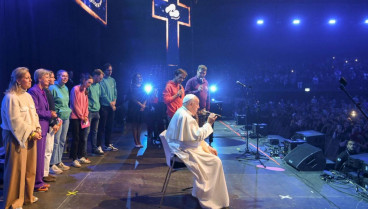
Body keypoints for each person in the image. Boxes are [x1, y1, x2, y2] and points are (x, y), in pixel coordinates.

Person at [165, 94, 229, 209]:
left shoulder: (182, 112)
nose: (198, 107)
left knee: (212, 157)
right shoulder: (187, 117)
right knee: (216, 161)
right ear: (190, 104)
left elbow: (191, 136)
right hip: (184, 152)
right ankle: (208, 196)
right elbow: (196, 136)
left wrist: (206, 146)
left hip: (182, 148)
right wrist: (209, 123)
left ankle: (199, 192)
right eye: (197, 104)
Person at [1, 67, 42, 209]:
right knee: (16, 170)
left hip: (30, 135)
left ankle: (27, 196)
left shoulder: (27, 96)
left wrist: (37, 129)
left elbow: (34, 115)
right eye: (27, 78)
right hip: (16, 137)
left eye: (30, 77)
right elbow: (15, 121)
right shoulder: (11, 97)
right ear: (18, 80)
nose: (30, 80)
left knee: (30, 168)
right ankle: (14, 202)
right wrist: (31, 132)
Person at [28, 69, 56, 192]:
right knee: (38, 156)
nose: (49, 79)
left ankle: (39, 181)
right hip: (39, 126)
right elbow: (36, 111)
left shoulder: (43, 91)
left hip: (44, 126)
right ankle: (36, 183)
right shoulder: (34, 91)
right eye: (46, 77)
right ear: (39, 78)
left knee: (40, 156)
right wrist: (50, 114)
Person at [49, 70, 72, 173]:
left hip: (66, 116)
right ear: (57, 76)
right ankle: (52, 163)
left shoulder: (66, 88)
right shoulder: (52, 88)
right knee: (56, 141)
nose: (65, 78)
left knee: (62, 140)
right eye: (63, 76)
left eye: (66, 76)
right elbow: (51, 104)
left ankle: (59, 161)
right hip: (58, 117)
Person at [185, 65, 213, 144]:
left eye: (204, 73)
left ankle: (199, 146)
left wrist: (208, 108)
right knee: (193, 130)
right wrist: (197, 91)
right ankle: (192, 146)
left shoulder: (206, 82)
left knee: (200, 129)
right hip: (193, 110)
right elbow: (186, 93)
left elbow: (208, 96)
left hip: (202, 110)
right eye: (200, 73)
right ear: (197, 71)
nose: (202, 75)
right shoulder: (191, 81)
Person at [69, 73, 93, 168]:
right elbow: (74, 104)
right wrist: (81, 116)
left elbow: (86, 105)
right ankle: (74, 158)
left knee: (83, 138)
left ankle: (80, 156)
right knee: (76, 138)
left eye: (91, 83)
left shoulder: (85, 91)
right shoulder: (75, 89)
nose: (89, 85)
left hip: (83, 118)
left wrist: (86, 115)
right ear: (84, 81)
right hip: (76, 117)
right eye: (89, 82)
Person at [43, 70, 62, 180]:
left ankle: (46, 172)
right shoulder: (46, 91)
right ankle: (44, 173)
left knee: (49, 149)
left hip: (52, 121)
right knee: (47, 149)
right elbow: (48, 109)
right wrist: (52, 122)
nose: (54, 79)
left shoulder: (48, 91)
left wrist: (56, 120)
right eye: (52, 77)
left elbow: (51, 108)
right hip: (49, 123)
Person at [97, 63, 118, 151]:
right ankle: (98, 145)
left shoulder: (112, 80)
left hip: (111, 106)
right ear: (104, 71)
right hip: (104, 106)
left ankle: (108, 144)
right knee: (102, 126)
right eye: (108, 70)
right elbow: (103, 94)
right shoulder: (102, 81)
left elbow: (115, 92)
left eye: (111, 70)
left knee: (110, 125)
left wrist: (114, 102)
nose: (110, 72)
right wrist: (110, 103)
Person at [86, 69, 104, 155]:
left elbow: (99, 96)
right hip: (89, 111)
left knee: (94, 131)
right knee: (87, 131)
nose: (101, 80)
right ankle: (83, 150)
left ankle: (94, 148)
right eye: (100, 78)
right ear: (95, 76)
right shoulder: (89, 85)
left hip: (97, 111)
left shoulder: (98, 85)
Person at [127, 74, 147, 148]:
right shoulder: (131, 86)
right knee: (134, 125)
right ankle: (136, 142)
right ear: (135, 78)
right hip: (134, 107)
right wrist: (140, 105)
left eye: (140, 77)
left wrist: (144, 105)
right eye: (138, 77)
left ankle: (139, 141)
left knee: (140, 125)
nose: (140, 78)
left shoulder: (143, 86)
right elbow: (132, 97)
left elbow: (146, 96)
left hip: (142, 107)